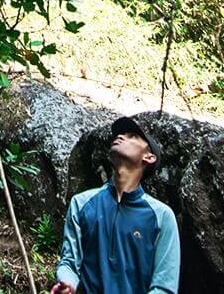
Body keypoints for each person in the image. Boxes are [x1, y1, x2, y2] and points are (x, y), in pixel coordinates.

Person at [51, 116, 180, 294]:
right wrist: (68, 282)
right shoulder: (81, 203)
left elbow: (164, 286)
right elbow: (69, 262)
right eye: (120, 134)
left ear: (149, 157)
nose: (120, 137)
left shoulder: (162, 216)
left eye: (132, 136)